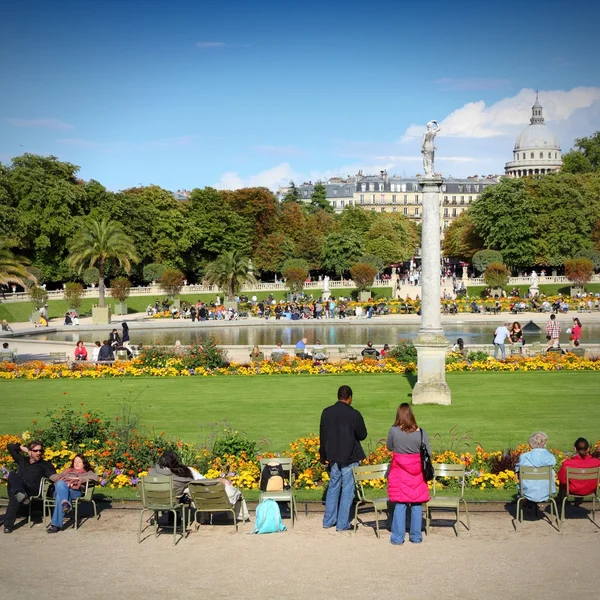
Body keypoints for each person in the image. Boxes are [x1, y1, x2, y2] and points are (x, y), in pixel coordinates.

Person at [149, 450, 249, 521]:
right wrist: (218, 480)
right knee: (186, 492)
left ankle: (174, 516)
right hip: (173, 501)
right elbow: (198, 482)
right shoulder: (181, 477)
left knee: (182, 493)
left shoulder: (152, 473)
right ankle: (240, 516)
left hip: (154, 501)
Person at [319, 385, 367, 532]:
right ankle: (342, 523)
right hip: (349, 456)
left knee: (333, 487)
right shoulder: (354, 414)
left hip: (333, 456)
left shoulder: (327, 412)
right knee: (347, 489)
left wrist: (323, 456)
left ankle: (328, 520)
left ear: (338, 396)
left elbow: (323, 436)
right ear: (350, 398)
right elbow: (362, 435)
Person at [386, 403, 431, 545]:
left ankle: (398, 537)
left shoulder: (394, 431)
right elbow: (428, 453)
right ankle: (416, 536)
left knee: (400, 504)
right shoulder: (421, 433)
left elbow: (389, 446)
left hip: (399, 472)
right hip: (417, 473)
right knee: (417, 504)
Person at [3, 441, 56, 533]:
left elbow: (53, 476)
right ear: (30, 451)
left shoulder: (45, 464)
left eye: (40, 450)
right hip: (20, 487)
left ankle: (8, 525)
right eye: (35, 451)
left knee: (15, 493)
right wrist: (24, 449)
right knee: (12, 475)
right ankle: (20, 494)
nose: (38, 453)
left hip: (32, 489)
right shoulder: (23, 460)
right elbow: (10, 447)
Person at [46, 454, 99, 533]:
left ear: (84, 464)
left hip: (75, 492)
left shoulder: (87, 473)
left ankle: (56, 525)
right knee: (60, 484)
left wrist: (77, 478)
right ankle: (65, 503)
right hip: (62, 488)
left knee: (59, 496)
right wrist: (63, 479)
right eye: (75, 462)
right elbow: (52, 476)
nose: (76, 464)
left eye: (79, 462)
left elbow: (96, 478)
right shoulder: (68, 471)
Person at [515, 432, 556, 503]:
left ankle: (524, 503)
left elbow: (517, 472)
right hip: (546, 491)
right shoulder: (550, 457)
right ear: (545, 443)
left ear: (531, 444)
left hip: (527, 491)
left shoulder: (524, 457)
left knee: (519, 473)